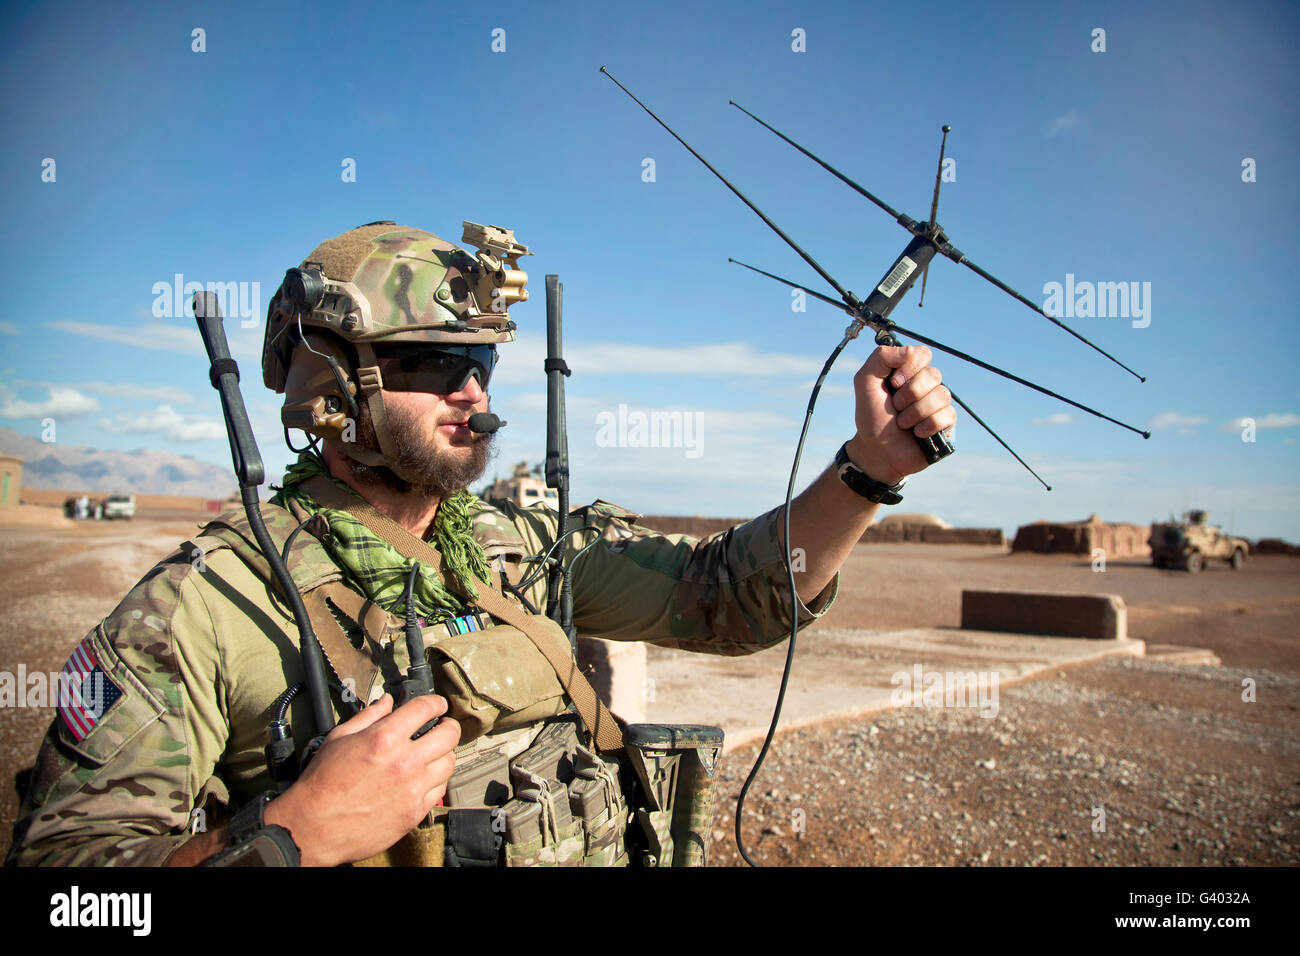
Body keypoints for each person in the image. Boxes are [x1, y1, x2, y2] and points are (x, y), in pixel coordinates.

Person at [6, 221, 955, 867]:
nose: (474, 393)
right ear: (331, 386)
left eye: (483, 362)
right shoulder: (202, 610)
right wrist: (291, 831)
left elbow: (731, 595)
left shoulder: (521, 544)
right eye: (433, 361)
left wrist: (867, 471)